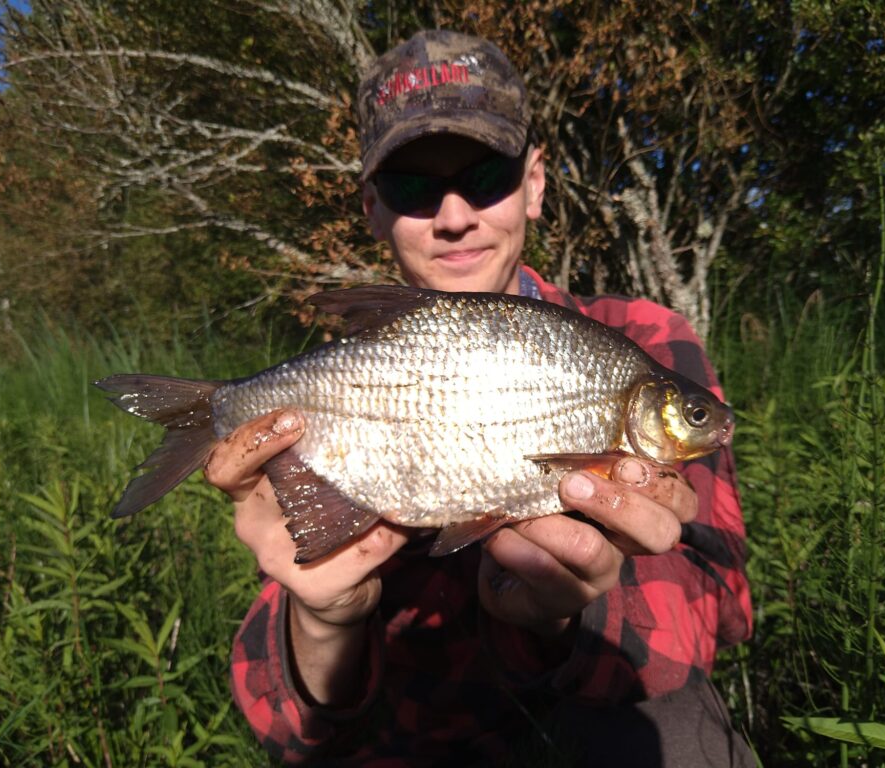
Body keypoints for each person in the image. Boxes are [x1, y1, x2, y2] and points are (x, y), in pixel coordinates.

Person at [204, 30, 754, 767]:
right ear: (372, 207)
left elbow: (721, 613)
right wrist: (325, 618)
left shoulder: (647, 339)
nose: (455, 215)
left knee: (678, 737)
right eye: (413, 187)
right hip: (413, 744)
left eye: (486, 175)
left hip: (584, 722)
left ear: (534, 183)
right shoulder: (336, 386)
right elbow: (285, 732)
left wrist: (564, 618)